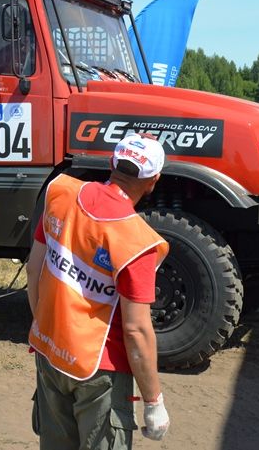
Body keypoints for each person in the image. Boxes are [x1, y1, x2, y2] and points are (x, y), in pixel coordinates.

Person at [27, 134, 171, 448]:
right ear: (153, 181)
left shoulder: (61, 193)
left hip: (50, 352)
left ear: (112, 163)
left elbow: (34, 269)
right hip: (99, 370)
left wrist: (46, 332)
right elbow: (136, 331)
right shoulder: (137, 241)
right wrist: (153, 401)